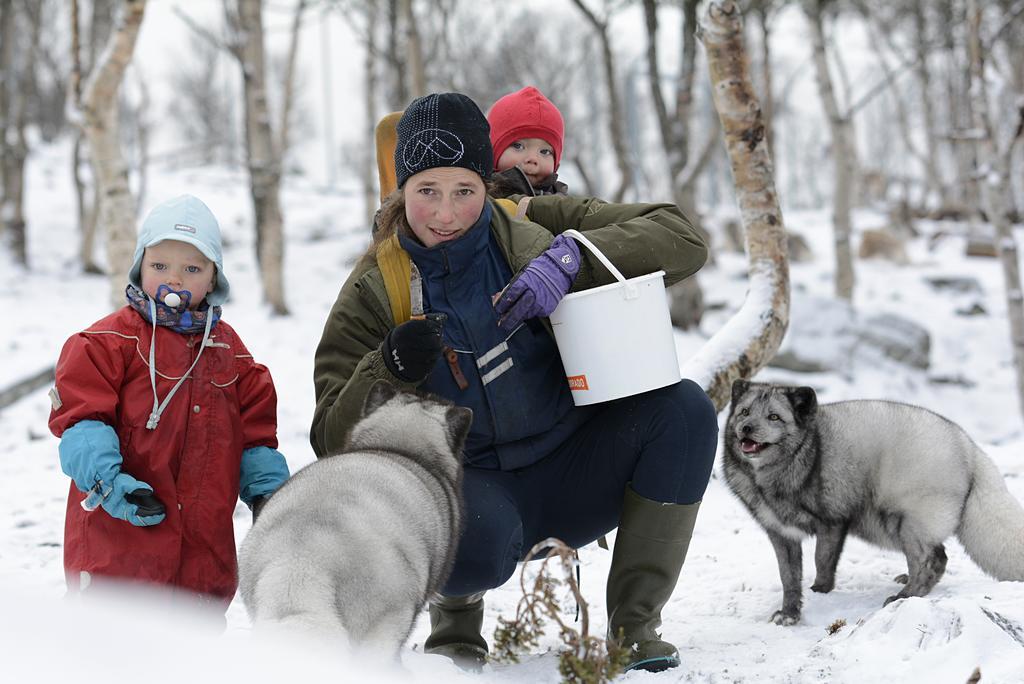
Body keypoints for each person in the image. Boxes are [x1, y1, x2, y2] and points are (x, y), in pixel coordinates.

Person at [311, 93, 717, 673]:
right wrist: (387, 369)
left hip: (575, 466)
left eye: (464, 192)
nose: (446, 214)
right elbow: (329, 438)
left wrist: (575, 257)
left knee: (683, 411)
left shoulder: (531, 226)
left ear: (487, 183)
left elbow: (682, 237)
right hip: (477, 494)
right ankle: (454, 630)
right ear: (402, 193)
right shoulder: (374, 290)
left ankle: (634, 628)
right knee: (466, 542)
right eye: (427, 192)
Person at [48, 194, 289, 612]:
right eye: (160, 266)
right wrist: (110, 484)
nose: (174, 280)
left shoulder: (231, 354)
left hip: (201, 557)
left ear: (213, 279)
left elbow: (254, 437)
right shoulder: (108, 343)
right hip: (119, 548)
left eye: (192, 269)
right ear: (140, 265)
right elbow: (83, 422)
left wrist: (269, 495)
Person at [487, 86, 568, 197]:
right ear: (492, 153)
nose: (532, 159)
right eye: (518, 146)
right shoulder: (479, 201)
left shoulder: (561, 207)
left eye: (545, 152)